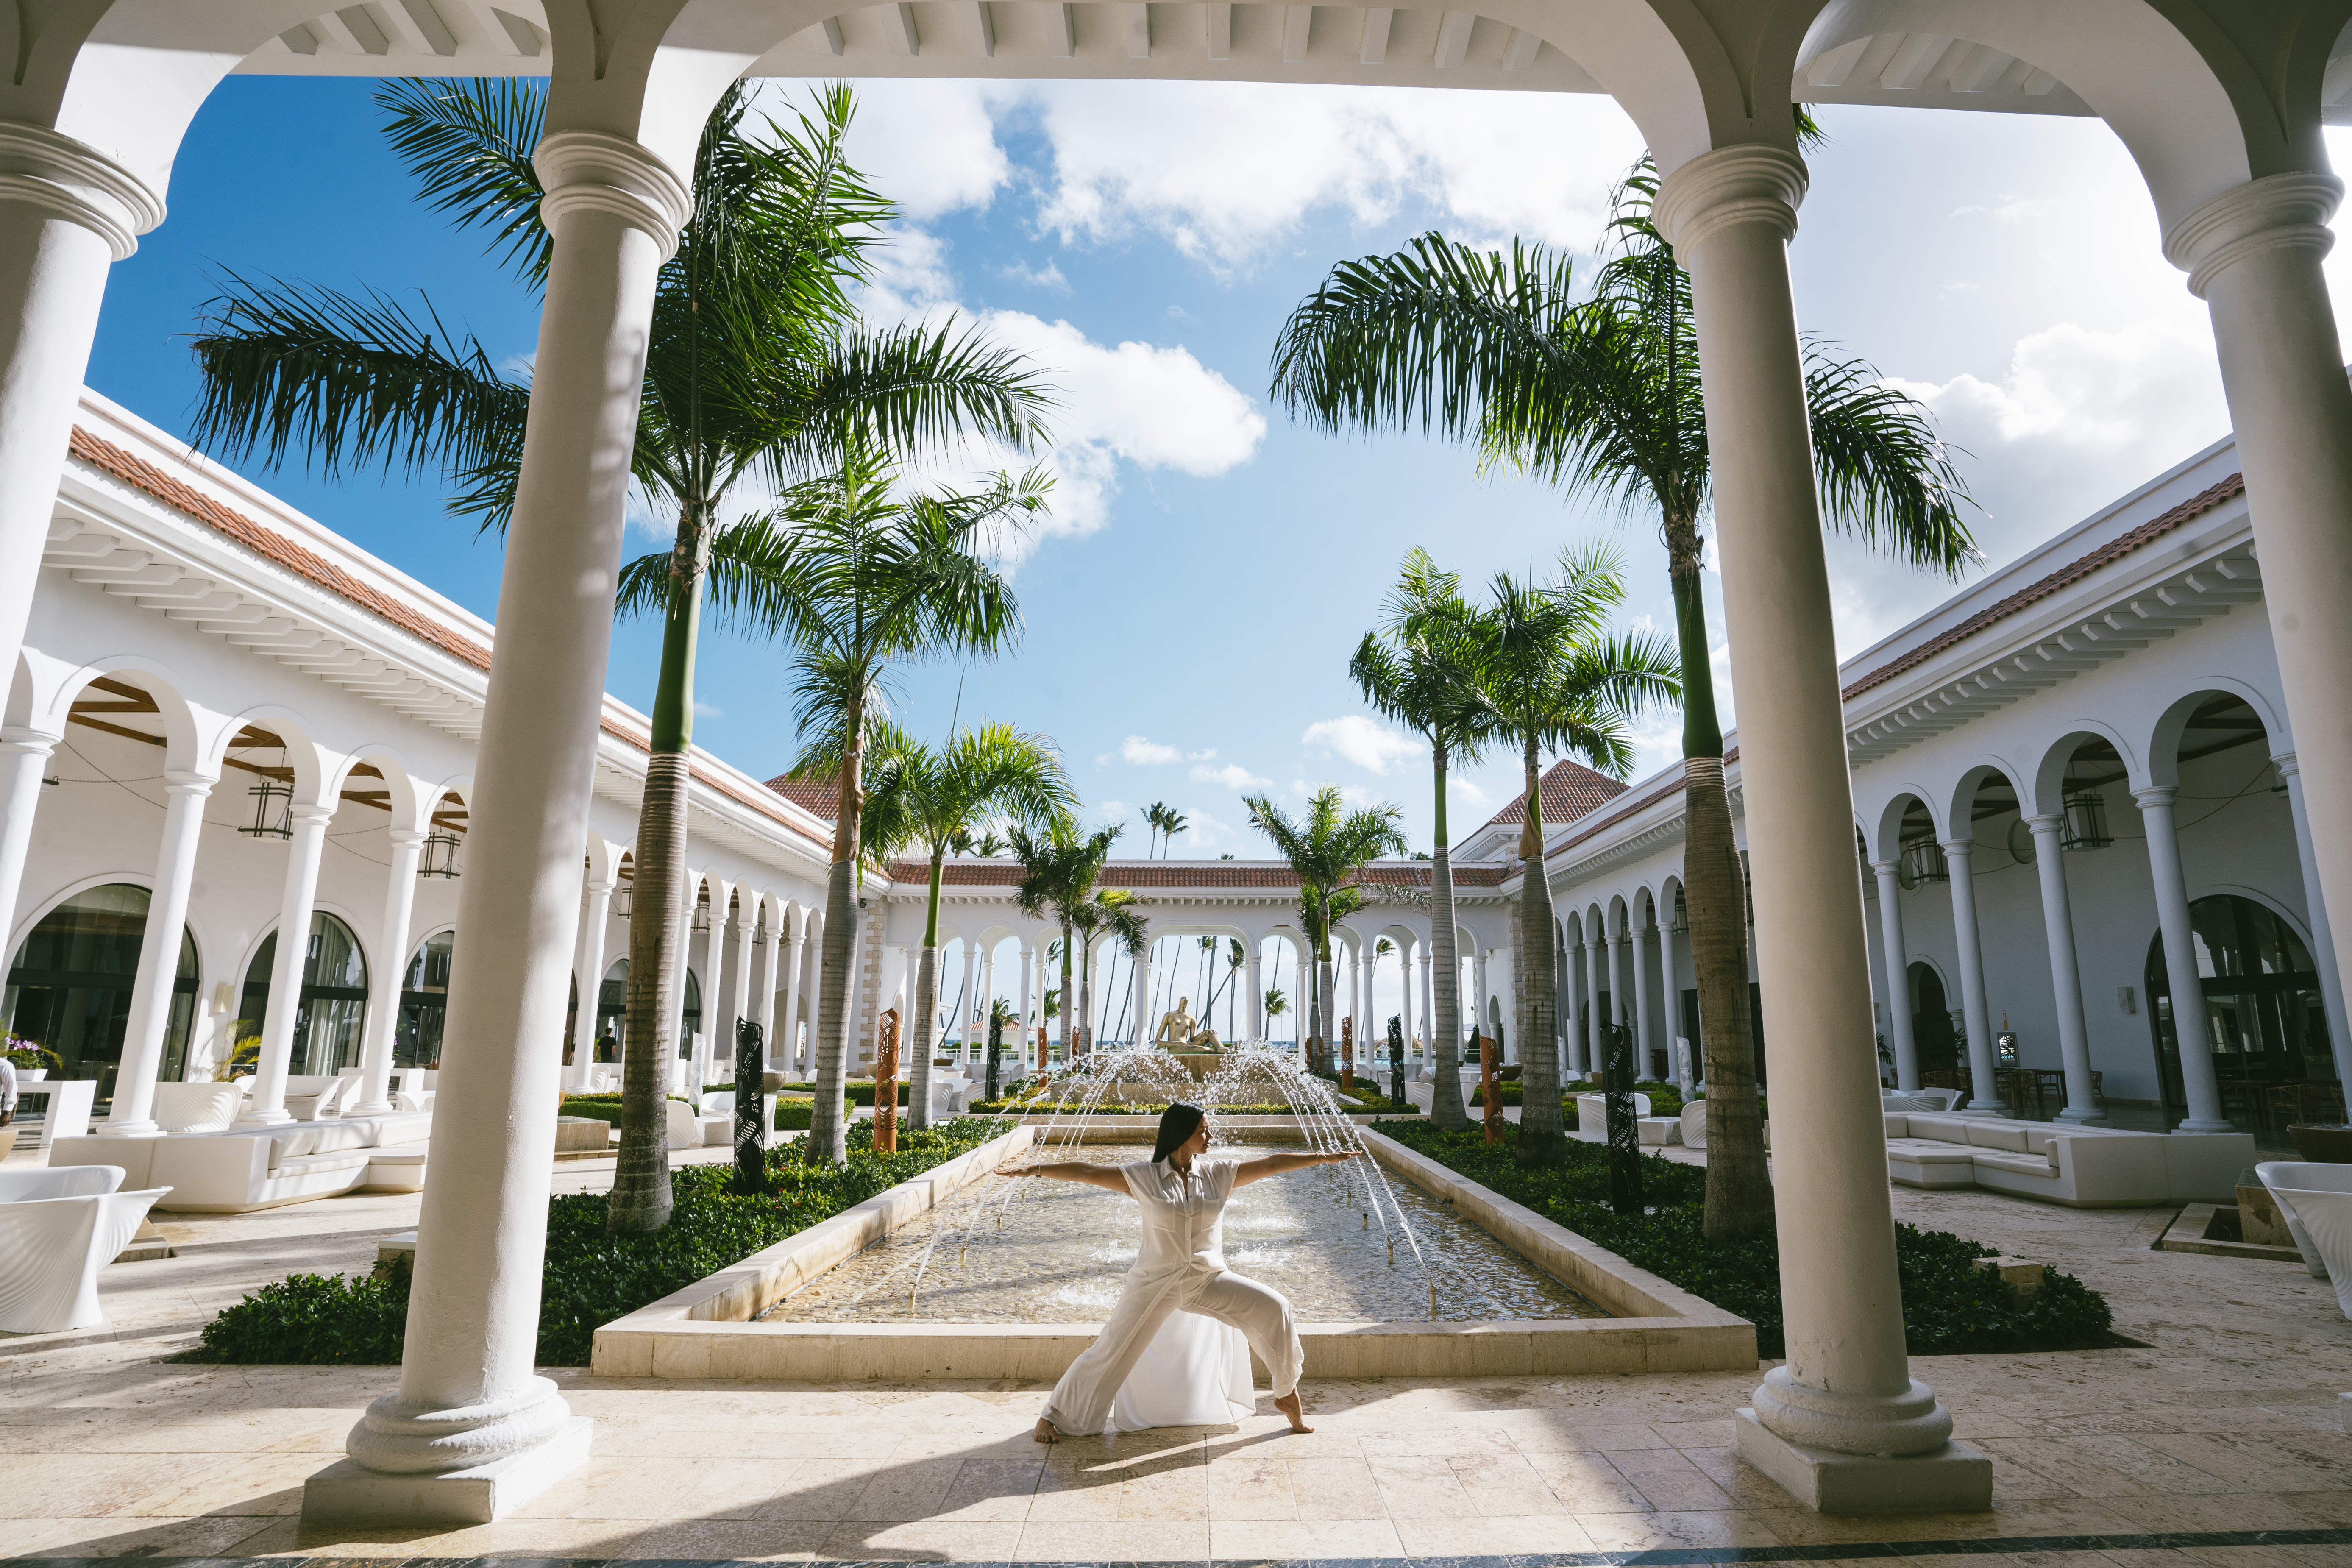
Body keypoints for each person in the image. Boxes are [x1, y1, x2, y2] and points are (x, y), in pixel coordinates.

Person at [1000, 1101, 1358, 1442]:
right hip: (1155, 1282)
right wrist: (1035, 1169)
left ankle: (1286, 1394)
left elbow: (1270, 1164)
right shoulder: (1145, 1177)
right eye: (1203, 1130)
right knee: (1110, 1348)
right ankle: (1052, 1414)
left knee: (1276, 1308)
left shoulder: (1219, 1174)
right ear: (1182, 1133)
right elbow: (1087, 1172)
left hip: (1207, 1279)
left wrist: (1323, 1157)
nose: (1210, 1136)